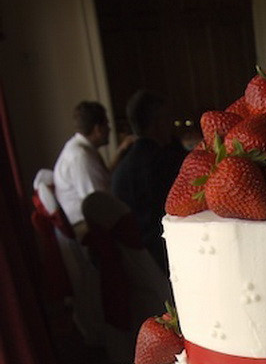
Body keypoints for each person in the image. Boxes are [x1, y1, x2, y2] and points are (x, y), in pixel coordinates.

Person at [112, 90, 183, 272]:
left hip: (136, 265)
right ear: (157, 123)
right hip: (165, 259)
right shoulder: (164, 163)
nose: (172, 124)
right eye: (168, 118)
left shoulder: (124, 166)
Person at [53, 101, 131, 234]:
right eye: (107, 124)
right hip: (85, 229)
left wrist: (120, 152)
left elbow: (103, 179)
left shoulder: (80, 148)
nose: (110, 129)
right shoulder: (81, 157)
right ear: (97, 129)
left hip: (87, 222)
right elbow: (98, 204)